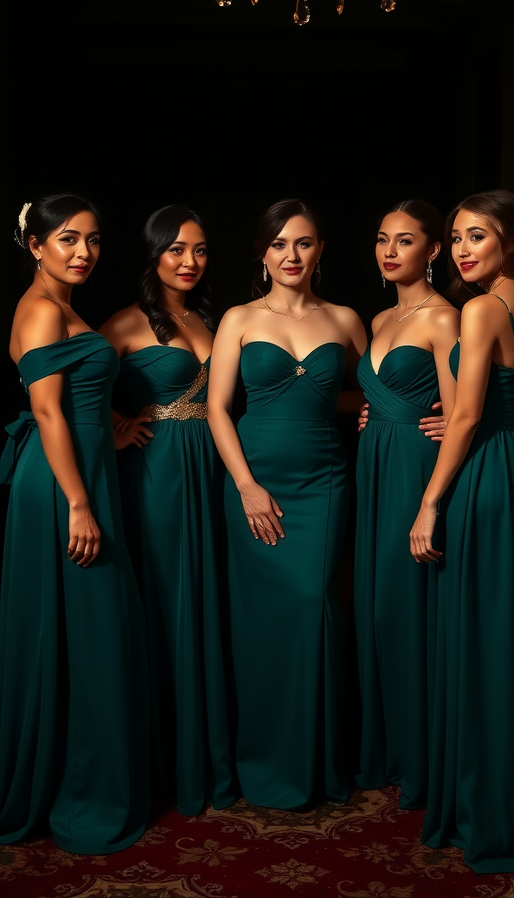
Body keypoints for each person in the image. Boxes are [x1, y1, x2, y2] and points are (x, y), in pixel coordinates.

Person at [410, 189, 514, 872]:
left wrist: (428, 502)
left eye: (477, 236)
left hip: (484, 481)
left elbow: (470, 416)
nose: (461, 249)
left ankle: (490, 808)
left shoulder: (480, 310)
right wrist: (487, 425)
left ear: (512, 242)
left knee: (485, 635)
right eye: (454, 238)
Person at [0, 194, 150, 854]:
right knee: (84, 627)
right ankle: (76, 788)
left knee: (88, 629)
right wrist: (80, 503)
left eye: (92, 240)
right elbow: (50, 413)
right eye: (67, 240)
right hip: (64, 488)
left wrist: (118, 433)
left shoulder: (64, 309)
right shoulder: (38, 309)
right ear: (35, 246)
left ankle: (85, 778)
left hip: (84, 474)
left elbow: (79, 406)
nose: (84, 251)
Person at [207, 198, 367, 810]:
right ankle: (264, 760)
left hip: (323, 484)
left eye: (303, 243)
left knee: (313, 610)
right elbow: (221, 408)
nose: (291, 255)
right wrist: (246, 486)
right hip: (255, 482)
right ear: (262, 251)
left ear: (321, 250)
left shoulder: (347, 320)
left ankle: (315, 761)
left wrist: (375, 408)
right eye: (279, 244)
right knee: (263, 625)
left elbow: (360, 392)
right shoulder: (239, 319)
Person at [99, 204, 236, 816]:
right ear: (153, 253)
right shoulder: (125, 324)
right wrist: (118, 423)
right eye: (177, 249)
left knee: (213, 596)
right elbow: (59, 386)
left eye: (200, 250)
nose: (189, 262)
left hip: (218, 468)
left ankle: (210, 749)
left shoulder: (216, 316)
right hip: (158, 474)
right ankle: (164, 758)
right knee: (167, 597)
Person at [353, 200, 460, 809]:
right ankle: (388, 748)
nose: (390, 251)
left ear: (433, 250)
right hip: (375, 463)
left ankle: (421, 757)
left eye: (405, 240)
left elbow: (458, 413)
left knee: (409, 606)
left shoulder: (444, 319)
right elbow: (380, 389)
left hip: (415, 473)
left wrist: (430, 501)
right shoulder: (378, 317)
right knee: (377, 605)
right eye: (381, 239)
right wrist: (372, 409)